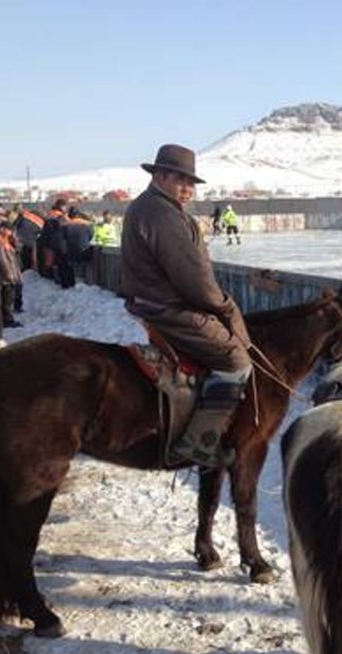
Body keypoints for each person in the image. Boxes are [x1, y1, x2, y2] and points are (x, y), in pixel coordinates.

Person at [120, 143, 253, 466]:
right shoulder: (162, 214)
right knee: (236, 359)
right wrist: (224, 306)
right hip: (168, 307)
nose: (188, 190)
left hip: (153, 300)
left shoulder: (151, 207)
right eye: (182, 181)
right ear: (160, 176)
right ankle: (198, 444)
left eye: (192, 183)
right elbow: (193, 278)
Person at [0, 223, 23, 328]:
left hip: (12, 273)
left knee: (8, 298)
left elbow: (19, 249)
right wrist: (9, 275)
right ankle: (7, 320)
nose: (11, 232)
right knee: (7, 299)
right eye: (9, 230)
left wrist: (14, 240)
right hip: (6, 277)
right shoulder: (0, 242)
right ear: (2, 229)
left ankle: (6, 319)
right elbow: (2, 260)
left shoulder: (8, 241)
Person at [38, 198, 69, 279]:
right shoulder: (60, 216)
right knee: (58, 261)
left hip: (46, 240)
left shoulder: (50, 214)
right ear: (61, 206)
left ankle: (48, 276)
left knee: (49, 261)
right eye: (65, 206)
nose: (66, 208)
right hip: (56, 241)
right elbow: (67, 227)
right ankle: (55, 277)